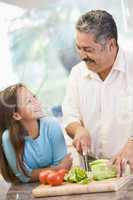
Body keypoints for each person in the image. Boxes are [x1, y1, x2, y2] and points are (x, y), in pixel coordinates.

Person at [62, 10, 133, 177]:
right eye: (78, 48)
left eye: (88, 49)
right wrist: (79, 130)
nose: (82, 56)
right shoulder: (77, 74)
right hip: (94, 172)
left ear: (111, 45)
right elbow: (70, 117)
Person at [0, 83, 72, 184]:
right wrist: (58, 168)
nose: (37, 102)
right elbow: (24, 176)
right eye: (29, 101)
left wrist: (57, 168)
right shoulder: (8, 138)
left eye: (34, 97)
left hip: (55, 185)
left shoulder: (51, 125)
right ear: (16, 115)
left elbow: (61, 171)